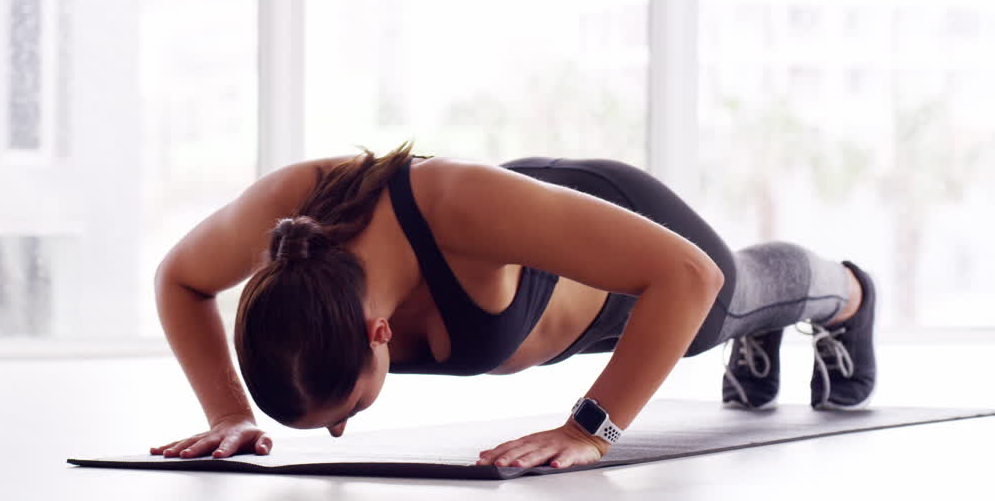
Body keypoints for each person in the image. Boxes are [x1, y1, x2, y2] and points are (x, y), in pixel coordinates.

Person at [149, 141, 877, 470]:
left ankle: (845, 294)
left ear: (379, 331)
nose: (342, 427)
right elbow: (179, 280)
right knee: (709, 320)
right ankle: (764, 336)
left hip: (619, 236)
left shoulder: (454, 209)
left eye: (348, 408)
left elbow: (685, 277)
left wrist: (589, 428)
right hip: (530, 241)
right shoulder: (279, 225)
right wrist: (228, 413)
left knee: (724, 302)